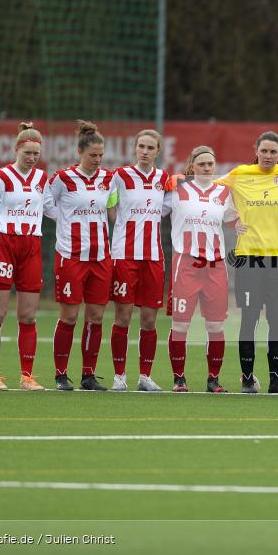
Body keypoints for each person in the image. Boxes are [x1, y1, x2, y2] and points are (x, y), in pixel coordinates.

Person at [219, 131, 278, 394]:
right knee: (249, 318)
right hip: (249, 257)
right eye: (264, 151)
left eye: (273, 152)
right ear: (256, 150)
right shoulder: (240, 174)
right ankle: (247, 378)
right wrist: (232, 220)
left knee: (276, 319)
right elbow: (208, 189)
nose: (269, 156)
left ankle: (275, 380)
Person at [0, 122, 52, 391]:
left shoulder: (42, 178)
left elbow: (50, 209)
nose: (32, 158)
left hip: (31, 245)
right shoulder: (1, 176)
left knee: (29, 316)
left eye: (36, 153)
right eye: (28, 153)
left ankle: (27, 376)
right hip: (4, 244)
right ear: (17, 150)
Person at [44, 120, 115, 392]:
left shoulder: (108, 180)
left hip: (100, 257)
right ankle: (61, 374)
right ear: (80, 153)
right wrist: (65, 219)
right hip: (71, 256)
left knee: (96, 317)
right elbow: (47, 204)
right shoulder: (63, 178)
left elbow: (112, 209)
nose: (97, 160)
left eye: (100, 155)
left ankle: (88, 374)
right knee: (70, 317)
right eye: (92, 155)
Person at [167, 146, 237, 393]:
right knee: (180, 325)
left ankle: (213, 379)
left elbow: (235, 220)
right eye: (202, 164)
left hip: (215, 265)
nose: (207, 168)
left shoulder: (224, 193)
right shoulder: (177, 188)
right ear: (192, 165)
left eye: (210, 164)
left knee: (216, 326)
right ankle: (179, 379)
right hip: (186, 263)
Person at [106, 130, 169, 392]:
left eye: (150, 147)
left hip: (153, 257)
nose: (145, 151)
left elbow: (168, 208)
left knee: (149, 321)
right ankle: (119, 376)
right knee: (122, 317)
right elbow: (109, 206)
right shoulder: (120, 176)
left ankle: (145, 376)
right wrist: (119, 227)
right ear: (134, 148)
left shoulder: (163, 179)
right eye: (141, 146)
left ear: (157, 151)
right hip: (124, 255)